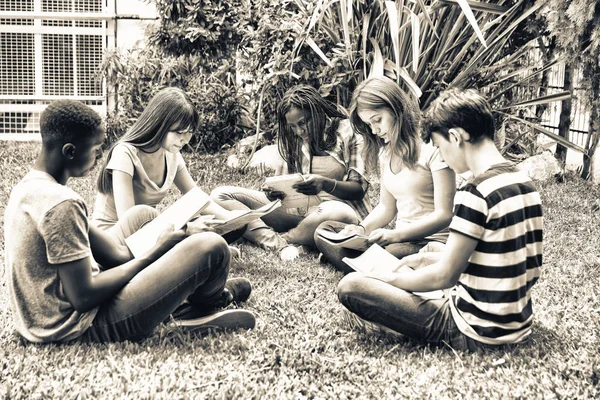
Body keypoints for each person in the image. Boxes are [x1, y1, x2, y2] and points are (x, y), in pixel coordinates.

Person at [4, 100, 255, 343]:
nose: (101, 154)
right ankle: (197, 309)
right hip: (80, 324)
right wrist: (156, 251)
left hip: (57, 313)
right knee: (212, 247)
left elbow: (114, 254)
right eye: (95, 149)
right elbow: (83, 296)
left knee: (142, 215)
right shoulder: (62, 204)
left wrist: (167, 242)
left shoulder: (32, 186)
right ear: (70, 151)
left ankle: (178, 298)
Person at [337, 88, 543, 350]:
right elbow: (512, 260)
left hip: (473, 327)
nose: (442, 156)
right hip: (517, 322)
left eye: (440, 147)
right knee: (425, 256)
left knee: (352, 286)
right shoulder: (522, 181)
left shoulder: (475, 191)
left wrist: (389, 281)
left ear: (455, 137)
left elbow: (444, 277)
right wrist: (427, 259)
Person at [211, 85, 372, 260]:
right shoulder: (294, 139)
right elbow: (289, 186)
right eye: (293, 126)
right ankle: (275, 242)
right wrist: (276, 193)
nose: (299, 131)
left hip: (334, 215)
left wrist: (325, 183)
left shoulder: (349, 132)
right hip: (300, 212)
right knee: (220, 195)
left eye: (303, 123)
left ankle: (284, 237)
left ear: (317, 111)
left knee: (340, 212)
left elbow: (358, 189)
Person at [314, 77, 456, 273]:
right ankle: (361, 261)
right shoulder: (385, 153)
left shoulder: (433, 147)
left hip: (429, 243)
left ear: (396, 108)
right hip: (398, 239)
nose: (374, 130)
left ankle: (358, 262)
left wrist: (395, 235)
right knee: (326, 230)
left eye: (377, 120)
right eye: (369, 125)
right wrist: (361, 229)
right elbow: (386, 208)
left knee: (389, 252)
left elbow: (444, 215)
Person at [93, 87, 244, 248]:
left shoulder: (171, 154)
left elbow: (195, 197)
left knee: (209, 225)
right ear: (159, 124)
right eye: (179, 132)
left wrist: (231, 219)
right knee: (192, 232)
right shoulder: (125, 153)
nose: (185, 140)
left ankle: (202, 246)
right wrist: (186, 230)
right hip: (114, 241)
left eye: (189, 132)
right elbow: (128, 223)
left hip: (146, 232)